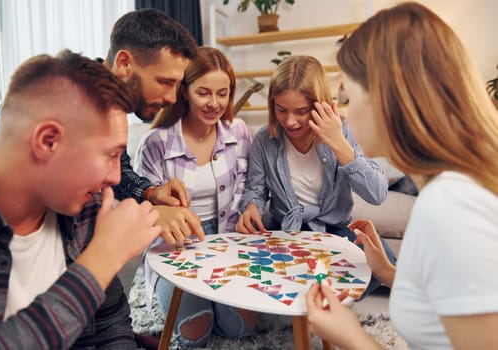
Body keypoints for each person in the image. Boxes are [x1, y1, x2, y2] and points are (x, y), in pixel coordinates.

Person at [305, 3, 498, 349]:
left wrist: (352, 337)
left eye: (348, 95)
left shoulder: (450, 204)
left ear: (386, 98)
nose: (346, 112)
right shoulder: (455, 188)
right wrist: (391, 274)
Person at [0, 50, 162, 348]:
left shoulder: (81, 204)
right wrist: (103, 257)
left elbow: (111, 325)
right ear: (48, 141)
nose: (116, 177)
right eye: (111, 155)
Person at [0, 8, 204, 244]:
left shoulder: (110, 103)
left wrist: (150, 193)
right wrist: (149, 216)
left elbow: (117, 172)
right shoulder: (62, 99)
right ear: (124, 63)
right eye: (165, 82)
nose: (172, 98)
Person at [134, 46, 253, 347]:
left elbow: (250, 184)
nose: (215, 103)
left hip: (228, 241)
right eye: (204, 93)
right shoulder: (155, 143)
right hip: (175, 246)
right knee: (195, 333)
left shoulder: (238, 132)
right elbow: (139, 206)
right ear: (184, 91)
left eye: (223, 93)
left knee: (240, 326)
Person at [236, 55, 395, 267]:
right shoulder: (265, 140)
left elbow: (377, 194)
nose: (290, 122)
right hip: (285, 230)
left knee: (386, 263)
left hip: (335, 230)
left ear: (321, 105)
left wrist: (337, 142)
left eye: (301, 112)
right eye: (281, 110)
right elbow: (255, 190)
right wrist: (251, 207)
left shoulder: (343, 132)